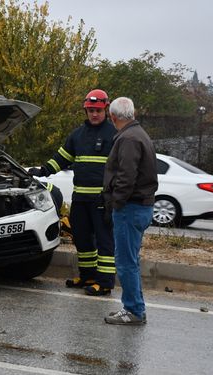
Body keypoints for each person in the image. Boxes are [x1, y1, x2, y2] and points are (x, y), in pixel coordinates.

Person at [30, 89, 117, 296]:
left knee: (104, 242)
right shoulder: (77, 135)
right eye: (90, 110)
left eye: (97, 110)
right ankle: (87, 276)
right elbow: (62, 158)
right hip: (80, 199)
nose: (94, 114)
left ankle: (104, 282)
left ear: (105, 108)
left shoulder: (114, 135)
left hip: (102, 200)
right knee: (82, 240)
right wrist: (43, 171)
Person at [102, 97, 158, 325]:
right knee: (131, 260)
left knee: (125, 262)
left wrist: (116, 203)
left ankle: (134, 310)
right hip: (138, 206)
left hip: (130, 208)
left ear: (113, 117)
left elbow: (126, 176)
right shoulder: (138, 134)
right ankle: (135, 306)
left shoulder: (128, 139)